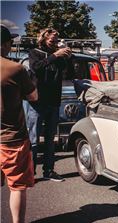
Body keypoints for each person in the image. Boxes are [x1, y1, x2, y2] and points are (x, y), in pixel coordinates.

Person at [1, 25, 45, 223]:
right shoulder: (15, 69)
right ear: (6, 44)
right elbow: (33, 96)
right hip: (12, 139)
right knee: (17, 186)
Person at [26, 28, 71, 181]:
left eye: (56, 40)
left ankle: (49, 171)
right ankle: (30, 173)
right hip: (38, 102)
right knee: (34, 139)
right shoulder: (35, 52)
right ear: (44, 38)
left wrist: (68, 57)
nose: (55, 42)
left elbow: (68, 73)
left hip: (54, 101)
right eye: (52, 40)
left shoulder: (58, 55)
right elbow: (36, 68)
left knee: (51, 138)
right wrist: (54, 55)